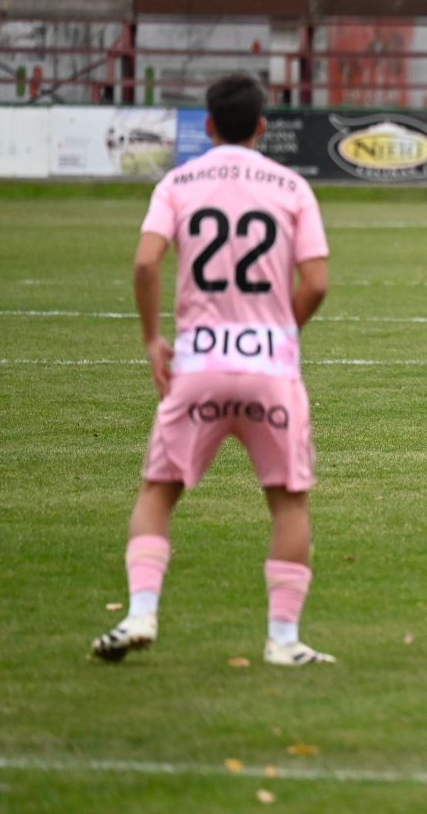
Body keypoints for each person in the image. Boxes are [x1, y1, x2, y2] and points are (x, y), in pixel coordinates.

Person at [91, 74, 334, 666]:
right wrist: (279, 332)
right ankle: (283, 640)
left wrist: (153, 339)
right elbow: (317, 282)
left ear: (207, 126)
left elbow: (146, 263)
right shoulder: (292, 187)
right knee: (288, 503)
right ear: (261, 127)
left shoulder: (177, 184)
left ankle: (141, 612)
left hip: (197, 364)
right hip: (269, 368)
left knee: (158, 492)